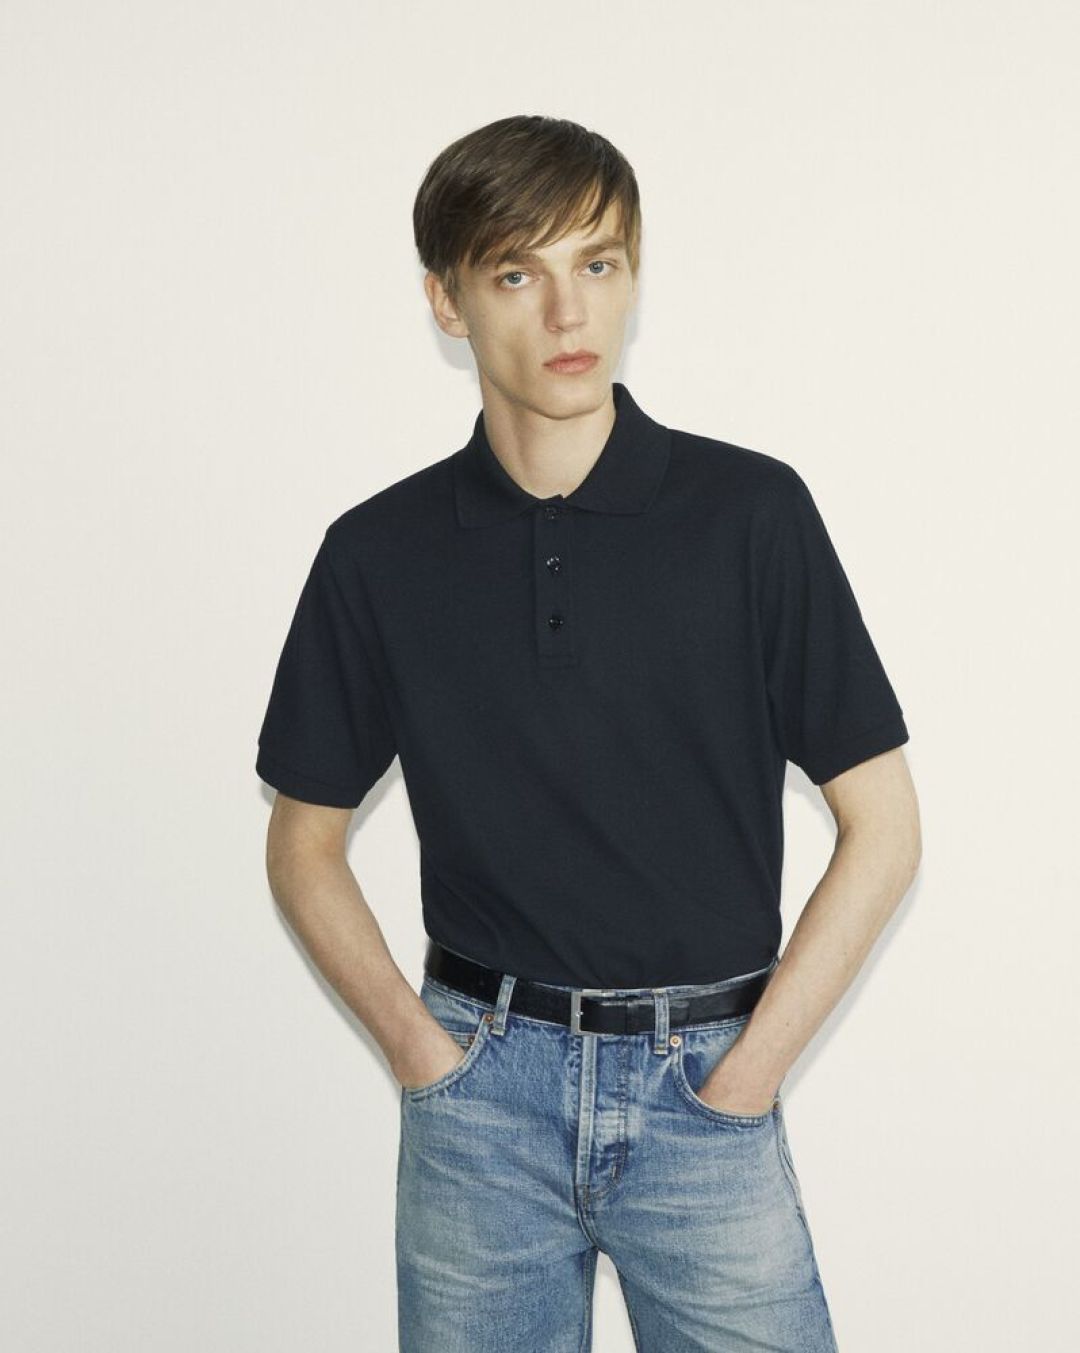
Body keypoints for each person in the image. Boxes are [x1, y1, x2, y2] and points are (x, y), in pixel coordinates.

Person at [255, 114, 921, 1352]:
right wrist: (424, 1058)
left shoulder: (751, 516)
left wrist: (747, 1078)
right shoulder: (379, 552)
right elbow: (303, 843)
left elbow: (883, 828)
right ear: (448, 303)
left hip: (707, 1087)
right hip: (480, 1098)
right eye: (518, 273)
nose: (569, 313)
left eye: (597, 264)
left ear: (633, 276)